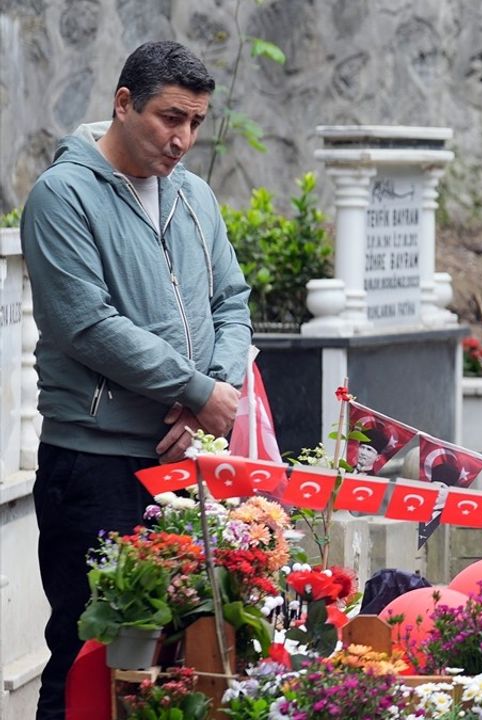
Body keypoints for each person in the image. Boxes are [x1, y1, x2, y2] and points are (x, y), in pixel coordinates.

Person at [21, 41, 251, 720]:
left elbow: (232, 303)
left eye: (196, 123)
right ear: (123, 104)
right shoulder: (62, 196)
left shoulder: (195, 195)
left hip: (183, 460)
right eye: (169, 117)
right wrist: (195, 393)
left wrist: (212, 387)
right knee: (91, 652)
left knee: (177, 657)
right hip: (94, 465)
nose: (182, 139)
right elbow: (85, 324)